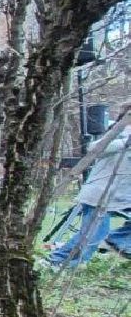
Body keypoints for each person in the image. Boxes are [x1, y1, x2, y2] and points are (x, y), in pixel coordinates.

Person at [44, 110, 130, 271]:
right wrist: (125, 142)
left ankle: (117, 242)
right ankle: (57, 261)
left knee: (96, 235)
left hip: (124, 197)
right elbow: (94, 148)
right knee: (92, 234)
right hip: (101, 193)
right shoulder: (118, 133)